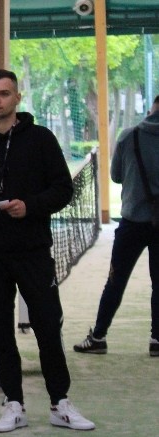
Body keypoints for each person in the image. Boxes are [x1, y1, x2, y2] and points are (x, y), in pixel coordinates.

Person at [0, 68, 95, 433]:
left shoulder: (41, 140)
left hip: (33, 252)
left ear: (17, 98)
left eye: (4, 93)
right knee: (0, 332)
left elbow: (63, 189)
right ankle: (13, 404)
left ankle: (60, 403)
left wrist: (30, 205)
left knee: (47, 326)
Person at [73, 94, 159, 357]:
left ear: (151, 109)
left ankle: (98, 336)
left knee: (115, 280)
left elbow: (117, 176)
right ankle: (157, 340)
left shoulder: (128, 136)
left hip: (132, 222)